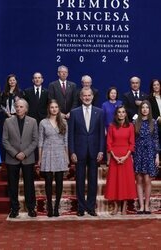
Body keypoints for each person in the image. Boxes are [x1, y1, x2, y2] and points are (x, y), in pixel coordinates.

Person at [69, 88, 105, 216]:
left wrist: (101, 150)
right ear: (80, 97)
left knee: (93, 180)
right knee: (79, 179)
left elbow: (102, 134)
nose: (87, 97)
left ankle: (90, 207)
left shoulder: (99, 112)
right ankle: (80, 207)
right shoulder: (74, 113)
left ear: (93, 96)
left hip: (95, 151)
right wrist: (72, 151)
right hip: (79, 151)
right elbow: (71, 134)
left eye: (89, 95)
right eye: (84, 95)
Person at [2, 99, 38, 218]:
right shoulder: (8, 121)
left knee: (29, 184)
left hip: (28, 158)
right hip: (12, 158)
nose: (18, 109)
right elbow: (5, 140)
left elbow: (35, 140)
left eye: (21, 107)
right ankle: (14, 208)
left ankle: (31, 208)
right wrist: (15, 153)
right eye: (17, 107)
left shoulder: (33, 121)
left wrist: (25, 153)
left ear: (26, 109)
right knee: (13, 185)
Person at [38, 99, 69, 217]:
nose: (54, 109)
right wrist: (40, 158)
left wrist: (67, 157)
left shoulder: (64, 122)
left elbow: (66, 141)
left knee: (59, 182)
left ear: (58, 109)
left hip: (60, 152)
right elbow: (40, 141)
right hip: (47, 153)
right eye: (52, 107)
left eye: (56, 107)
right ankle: (49, 208)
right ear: (48, 109)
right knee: (49, 182)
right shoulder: (43, 122)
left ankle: (57, 208)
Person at [104, 105, 137, 215]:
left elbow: (132, 143)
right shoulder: (112, 126)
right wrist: (114, 156)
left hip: (126, 158)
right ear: (116, 114)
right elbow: (109, 143)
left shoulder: (131, 126)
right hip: (115, 157)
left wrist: (125, 157)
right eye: (119, 112)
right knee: (115, 182)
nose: (121, 114)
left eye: (123, 112)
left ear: (126, 114)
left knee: (125, 182)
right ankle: (116, 206)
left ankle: (124, 206)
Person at [133, 100, 159, 214]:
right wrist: (132, 155)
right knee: (139, 179)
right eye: (142, 107)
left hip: (149, 152)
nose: (144, 109)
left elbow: (156, 139)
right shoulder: (135, 122)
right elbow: (132, 140)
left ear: (149, 109)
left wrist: (157, 155)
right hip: (138, 152)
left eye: (146, 107)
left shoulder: (153, 122)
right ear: (140, 109)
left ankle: (147, 205)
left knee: (147, 180)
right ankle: (141, 205)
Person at [102, 87, 123, 165]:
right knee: (109, 145)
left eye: (115, 93)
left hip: (118, 127)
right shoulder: (104, 104)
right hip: (108, 128)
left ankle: (118, 159)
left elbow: (123, 115)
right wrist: (104, 128)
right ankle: (109, 161)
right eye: (111, 93)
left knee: (117, 144)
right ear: (108, 94)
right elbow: (102, 118)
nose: (113, 94)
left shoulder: (120, 103)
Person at [148, 79, 161, 150]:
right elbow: (149, 111)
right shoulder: (150, 98)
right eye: (154, 85)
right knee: (157, 143)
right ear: (152, 87)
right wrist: (158, 118)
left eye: (158, 84)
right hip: (156, 124)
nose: (156, 86)